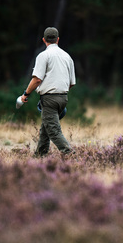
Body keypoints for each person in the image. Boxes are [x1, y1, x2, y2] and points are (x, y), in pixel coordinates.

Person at [20, 27, 76, 156]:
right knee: (46, 128)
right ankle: (40, 155)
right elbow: (71, 83)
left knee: (54, 131)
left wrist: (25, 94)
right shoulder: (67, 57)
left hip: (49, 99)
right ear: (58, 39)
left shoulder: (43, 56)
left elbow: (37, 80)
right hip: (63, 98)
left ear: (44, 40)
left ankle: (70, 155)